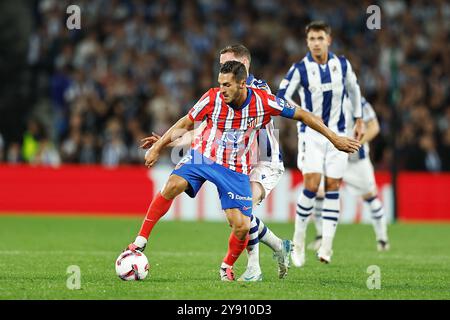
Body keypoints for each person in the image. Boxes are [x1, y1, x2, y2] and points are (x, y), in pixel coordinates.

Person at [125, 60, 360, 281]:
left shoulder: (263, 101)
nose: (222, 89)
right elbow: (186, 122)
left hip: (236, 169)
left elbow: (302, 114)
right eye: (220, 84)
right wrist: (159, 146)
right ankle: (140, 240)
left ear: (242, 83)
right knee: (173, 184)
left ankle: (227, 266)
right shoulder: (212, 98)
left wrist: (334, 138)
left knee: (242, 225)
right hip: (204, 157)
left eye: (227, 85)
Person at [140, 44, 294, 282]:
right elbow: (209, 130)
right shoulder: (224, 94)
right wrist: (166, 142)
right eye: (220, 64)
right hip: (237, 160)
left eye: (227, 63)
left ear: (243, 65)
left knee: (244, 215)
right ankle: (278, 246)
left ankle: (254, 268)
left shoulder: (257, 89)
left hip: (264, 161)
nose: (222, 68)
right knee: (239, 219)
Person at [277, 21, 365, 266]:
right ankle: (299, 239)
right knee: (312, 184)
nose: (316, 43)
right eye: (312, 39)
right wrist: (301, 114)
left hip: (339, 133)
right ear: (307, 42)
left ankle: (326, 245)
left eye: (320, 38)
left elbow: (354, 89)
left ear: (329, 40)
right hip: (311, 134)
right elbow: (280, 97)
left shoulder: (342, 65)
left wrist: (358, 118)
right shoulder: (300, 69)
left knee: (334, 184)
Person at [306, 97, 390, 252]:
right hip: (332, 156)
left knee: (370, 196)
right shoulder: (325, 99)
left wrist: (354, 144)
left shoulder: (359, 102)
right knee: (319, 192)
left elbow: (374, 127)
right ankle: (320, 237)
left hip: (356, 159)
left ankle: (382, 239)